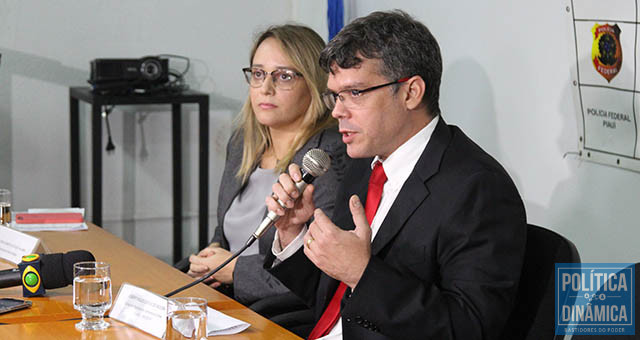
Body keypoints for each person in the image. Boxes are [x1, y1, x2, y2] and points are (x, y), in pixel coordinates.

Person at [265, 10, 527, 340]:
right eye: (335, 95)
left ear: (410, 92)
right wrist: (292, 234)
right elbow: (332, 300)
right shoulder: (365, 160)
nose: (337, 111)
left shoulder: (478, 188)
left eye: (355, 93)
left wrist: (362, 273)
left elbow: (468, 328)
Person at [182, 24, 348, 335]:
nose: (265, 88)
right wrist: (210, 259)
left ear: (313, 83)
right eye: (258, 74)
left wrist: (235, 270)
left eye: (283, 76)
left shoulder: (326, 157)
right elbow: (226, 231)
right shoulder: (244, 142)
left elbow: (320, 273)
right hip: (227, 300)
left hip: (275, 316)